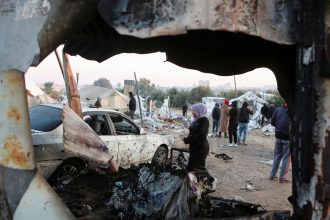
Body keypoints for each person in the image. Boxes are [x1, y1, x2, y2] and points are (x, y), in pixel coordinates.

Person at [183, 103, 215, 187]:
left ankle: (211, 181)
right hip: (196, 147)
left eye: (194, 110)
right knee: (196, 166)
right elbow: (194, 132)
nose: (193, 112)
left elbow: (200, 135)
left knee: (196, 167)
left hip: (201, 148)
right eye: (192, 110)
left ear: (199, 110)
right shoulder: (197, 120)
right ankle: (200, 183)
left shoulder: (204, 120)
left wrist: (187, 140)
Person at [269, 102, 291, 183]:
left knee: (277, 156)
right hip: (287, 138)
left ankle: (272, 175)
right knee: (286, 158)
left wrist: (278, 127)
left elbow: (272, 122)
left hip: (278, 136)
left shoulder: (278, 109)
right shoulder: (293, 111)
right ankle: (282, 178)